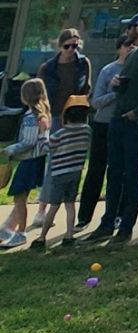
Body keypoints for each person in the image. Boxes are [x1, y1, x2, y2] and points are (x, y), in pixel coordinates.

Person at [88, 11, 138, 245]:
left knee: (132, 173)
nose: (127, 32)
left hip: (136, 121)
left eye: (130, 27)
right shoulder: (133, 55)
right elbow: (126, 82)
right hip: (117, 118)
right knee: (114, 171)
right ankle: (107, 223)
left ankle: (126, 226)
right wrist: (116, 84)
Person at [77, 27, 132, 230]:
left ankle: (118, 213)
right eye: (127, 46)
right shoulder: (108, 70)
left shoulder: (137, 70)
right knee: (96, 169)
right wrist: (115, 92)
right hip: (103, 124)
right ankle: (84, 215)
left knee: (121, 172)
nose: (131, 49)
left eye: (134, 46)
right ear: (119, 49)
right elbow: (96, 102)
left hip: (126, 124)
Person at [31, 96, 92, 249]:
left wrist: (43, 134)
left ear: (66, 116)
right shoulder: (87, 131)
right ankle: (69, 235)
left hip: (59, 174)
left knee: (54, 205)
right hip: (76, 172)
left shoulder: (61, 134)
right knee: (70, 204)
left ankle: (42, 238)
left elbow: (46, 147)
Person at [1, 79, 53, 249]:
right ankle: (9, 229)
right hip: (37, 159)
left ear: (25, 96)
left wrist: (10, 150)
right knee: (21, 196)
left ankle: (20, 233)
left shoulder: (31, 116)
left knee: (19, 197)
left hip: (29, 160)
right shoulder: (45, 112)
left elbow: (28, 141)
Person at [38, 28, 92, 120]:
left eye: (74, 46)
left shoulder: (83, 63)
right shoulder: (48, 67)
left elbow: (87, 86)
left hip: (76, 114)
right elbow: (39, 93)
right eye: (67, 46)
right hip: (54, 113)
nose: (71, 49)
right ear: (60, 46)